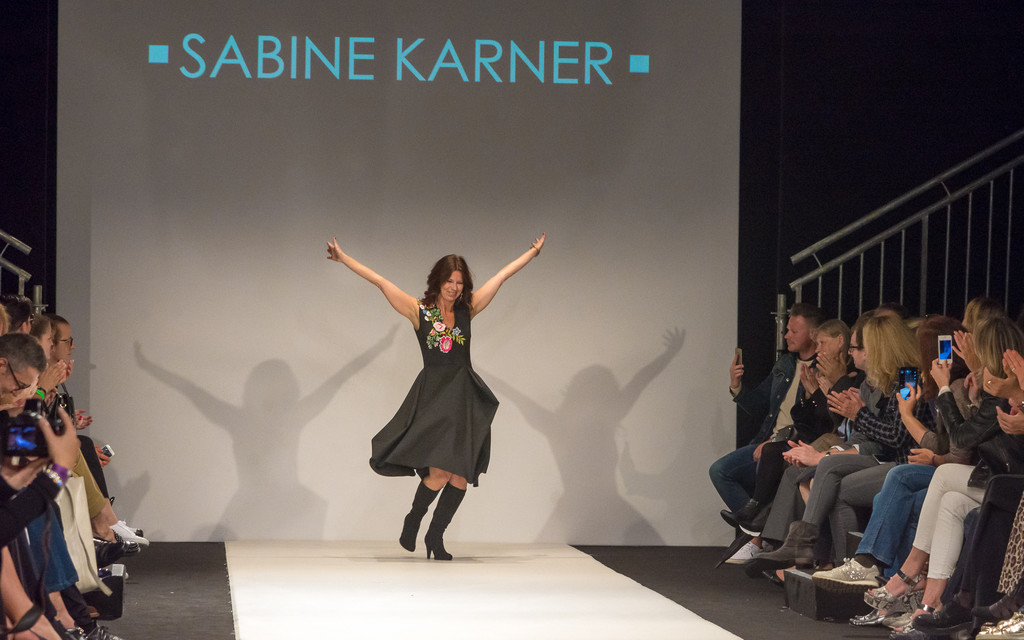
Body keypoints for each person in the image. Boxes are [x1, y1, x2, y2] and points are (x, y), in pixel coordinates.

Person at [326, 233, 545, 560]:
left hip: (463, 399)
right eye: (449, 281)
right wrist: (343, 258)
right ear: (438, 281)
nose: (454, 287)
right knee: (439, 473)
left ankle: (435, 537)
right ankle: (413, 520)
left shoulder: (468, 310)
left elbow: (501, 276)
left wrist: (531, 254)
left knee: (461, 476)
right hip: (435, 399)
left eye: (459, 282)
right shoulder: (420, 312)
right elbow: (380, 281)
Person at [710, 302, 823, 563]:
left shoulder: (822, 368)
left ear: (813, 334)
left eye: (793, 331)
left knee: (767, 462)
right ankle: (759, 530)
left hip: (795, 443)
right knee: (720, 471)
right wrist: (736, 386)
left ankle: (759, 538)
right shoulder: (785, 363)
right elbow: (759, 405)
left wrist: (776, 440)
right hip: (768, 440)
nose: (786, 335)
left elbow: (814, 422)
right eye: (787, 329)